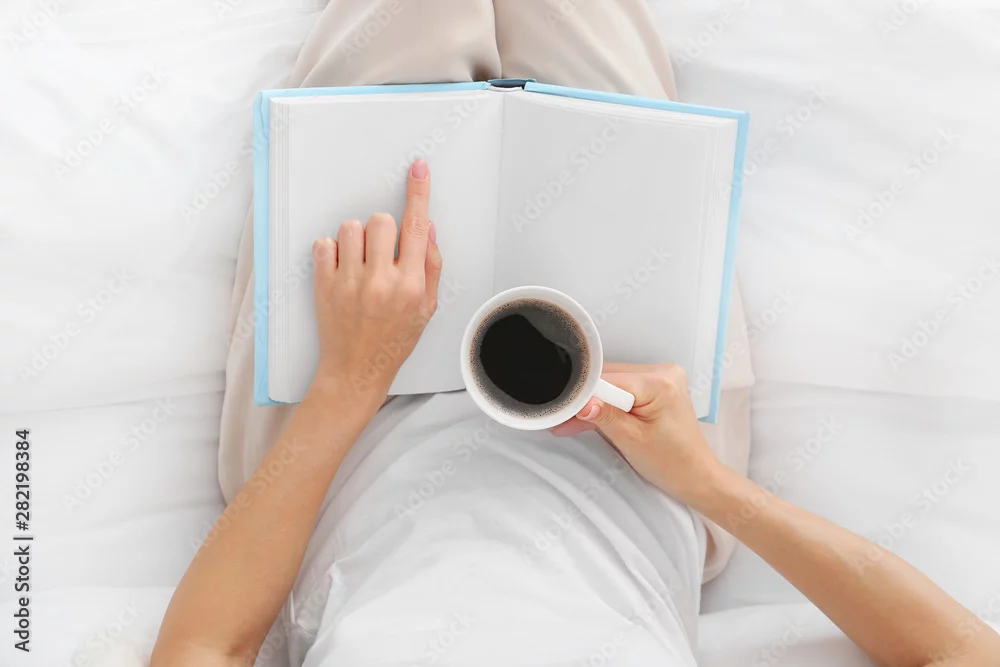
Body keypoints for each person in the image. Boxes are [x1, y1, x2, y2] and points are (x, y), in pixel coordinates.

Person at [152, 2, 1000, 666]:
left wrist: (349, 374)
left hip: (338, 426)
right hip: (640, 425)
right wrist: (705, 481)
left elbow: (204, 647)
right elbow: (962, 652)